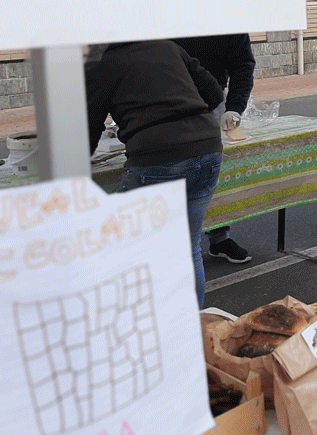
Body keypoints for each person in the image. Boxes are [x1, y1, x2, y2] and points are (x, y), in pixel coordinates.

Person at [86, 40, 225, 307]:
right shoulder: (166, 47)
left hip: (156, 158)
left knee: (145, 253)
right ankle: (190, 325)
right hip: (207, 148)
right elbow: (215, 93)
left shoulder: (102, 64)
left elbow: (88, 134)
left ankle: (158, 332)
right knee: (189, 245)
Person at [174, 33, 256, 264]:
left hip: (213, 100)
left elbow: (243, 66)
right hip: (170, 98)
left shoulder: (230, 24)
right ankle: (177, 246)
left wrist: (234, 107)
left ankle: (219, 238)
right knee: (175, 171)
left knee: (214, 173)